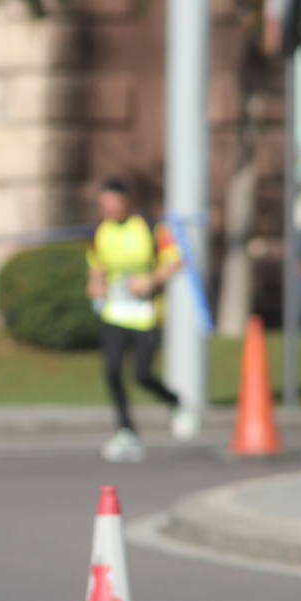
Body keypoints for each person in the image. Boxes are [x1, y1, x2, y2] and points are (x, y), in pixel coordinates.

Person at [85, 178, 196, 462]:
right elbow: (96, 265)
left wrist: (152, 280)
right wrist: (96, 284)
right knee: (111, 369)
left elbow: (176, 259)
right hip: (115, 311)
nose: (108, 208)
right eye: (104, 204)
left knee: (142, 374)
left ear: (126, 201)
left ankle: (175, 402)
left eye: (113, 202)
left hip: (145, 314)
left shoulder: (150, 227)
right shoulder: (101, 230)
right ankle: (125, 429)